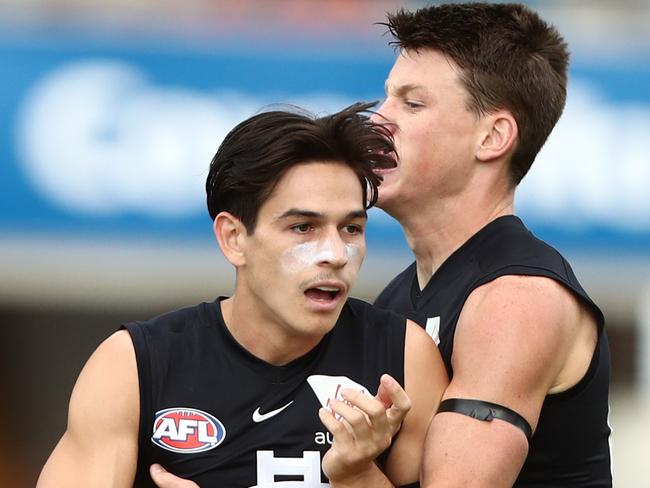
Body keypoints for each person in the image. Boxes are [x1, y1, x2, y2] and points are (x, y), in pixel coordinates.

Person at [36, 102, 448, 488]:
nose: (335, 255)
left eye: (351, 229)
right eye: (303, 227)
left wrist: (358, 476)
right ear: (234, 238)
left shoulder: (405, 361)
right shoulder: (133, 367)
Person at [371, 3, 612, 487]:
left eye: (412, 104)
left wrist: (351, 473)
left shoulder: (517, 299)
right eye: (387, 98)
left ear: (493, 136)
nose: (380, 119)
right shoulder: (396, 300)